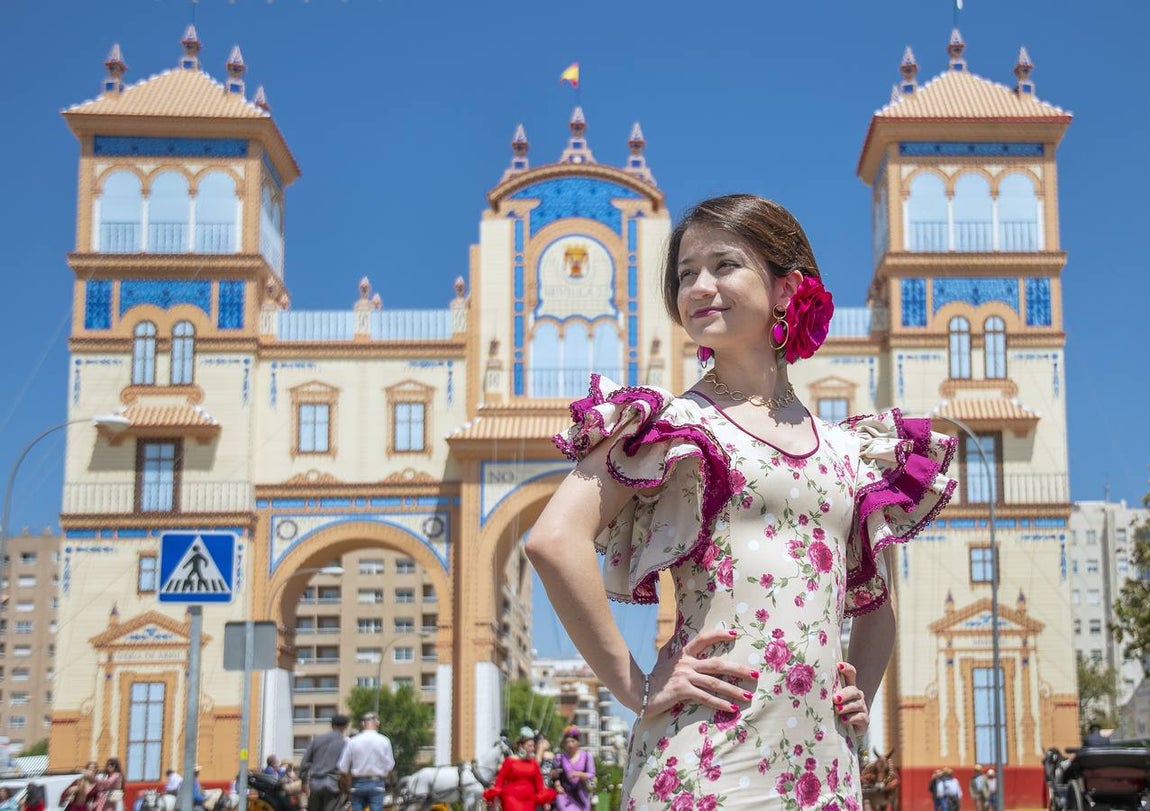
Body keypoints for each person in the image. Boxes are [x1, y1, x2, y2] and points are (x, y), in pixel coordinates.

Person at [526, 194, 957, 809]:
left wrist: (857, 698)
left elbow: (878, 603)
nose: (699, 286)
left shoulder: (850, 452)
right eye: (684, 275)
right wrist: (636, 686)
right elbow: (553, 540)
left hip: (824, 768)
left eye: (723, 265)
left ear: (787, 288)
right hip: (706, 758)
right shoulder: (673, 428)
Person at [482, 728, 557, 811]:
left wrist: (545, 801)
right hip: (511, 799)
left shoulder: (534, 764)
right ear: (521, 746)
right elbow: (500, 780)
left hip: (528, 800)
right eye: (529, 746)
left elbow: (539, 785)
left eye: (533, 746)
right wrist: (496, 798)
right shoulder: (510, 761)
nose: (532, 748)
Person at [337, 713, 394, 811]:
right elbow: (390, 766)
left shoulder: (352, 741)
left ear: (363, 724)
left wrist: (347, 786)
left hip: (357, 784)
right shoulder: (384, 741)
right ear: (378, 724)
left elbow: (343, 768)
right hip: (377, 783)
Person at [300, 713, 350, 811]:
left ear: (332, 725)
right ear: (345, 727)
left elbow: (305, 762)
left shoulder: (317, 740)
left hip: (315, 784)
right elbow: (346, 767)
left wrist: (303, 781)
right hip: (333, 784)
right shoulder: (345, 743)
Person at [552, 726, 595, 811]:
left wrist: (579, 774)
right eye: (567, 742)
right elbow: (555, 775)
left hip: (582, 794)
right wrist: (557, 784)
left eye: (573, 741)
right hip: (565, 795)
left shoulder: (586, 756)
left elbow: (592, 774)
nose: (570, 744)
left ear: (578, 742)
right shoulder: (560, 757)